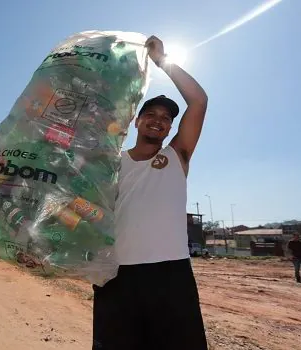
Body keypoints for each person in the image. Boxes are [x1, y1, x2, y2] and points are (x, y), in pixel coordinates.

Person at [92, 35, 208, 349]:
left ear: (171, 128)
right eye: (152, 115)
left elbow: (198, 101)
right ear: (138, 121)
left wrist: (163, 61)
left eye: (166, 119)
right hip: (117, 276)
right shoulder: (112, 165)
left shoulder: (176, 156)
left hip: (171, 275)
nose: (159, 121)